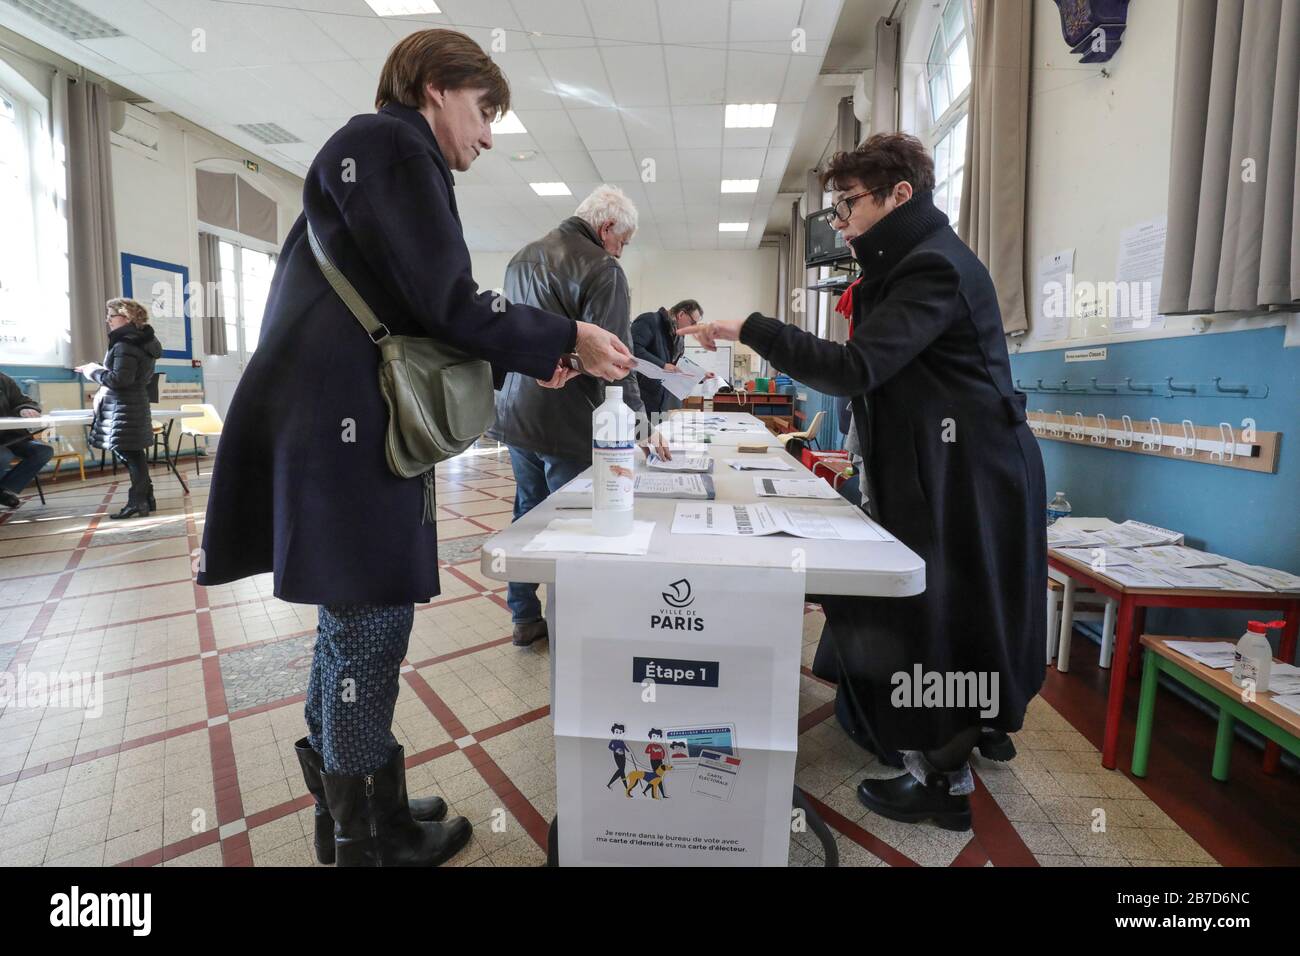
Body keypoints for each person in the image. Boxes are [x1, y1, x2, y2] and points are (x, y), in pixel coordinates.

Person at [195, 29, 635, 867]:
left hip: (330, 416)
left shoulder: (381, 152)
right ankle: (370, 836)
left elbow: (422, 299)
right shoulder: (391, 145)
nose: (488, 134)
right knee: (371, 619)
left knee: (348, 616)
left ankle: (349, 806)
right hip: (344, 425)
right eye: (482, 110)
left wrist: (537, 347)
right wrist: (570, 336)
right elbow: (443, 297)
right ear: (436, 87)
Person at [679, 133, 1046, 832]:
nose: (840, 220)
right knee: (966, 606)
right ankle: (975, 726)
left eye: (849, 203)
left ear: (899, 195)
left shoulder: (931, 267)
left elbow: (856, 369)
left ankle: (945, 780)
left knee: (952, 609)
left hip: (968, 473)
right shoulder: (908, 262)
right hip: (948, 465)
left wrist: (751, 327)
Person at [487, 185, 645, 647]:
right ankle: (570, 623)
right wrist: (637, 424)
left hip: (515, 413)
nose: (621, 251)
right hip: (567, 420)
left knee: (527, 516)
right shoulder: (603, 268)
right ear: (607, 228)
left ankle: (523, 616)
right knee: (573, 525)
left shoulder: (522, 257)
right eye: (623, 242)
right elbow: (616, 357)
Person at [76, 298, 161, 520]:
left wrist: (91, 370)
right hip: (132, 404)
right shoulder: (142, 341)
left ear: (126, 317)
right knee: (134, 454)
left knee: (131, 455)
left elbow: (119, 379)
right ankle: (146, 499)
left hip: (122, 407)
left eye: (111, 316)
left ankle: (138, 501)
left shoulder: (125, 343)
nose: (108, 320)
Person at [631, 300, 702, 414]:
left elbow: (677, 364)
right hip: (643, 397)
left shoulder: (678, 335)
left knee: (662, 431)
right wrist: (662, 365)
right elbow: (633, 348)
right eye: (692, 322)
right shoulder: (649, 320)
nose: (693, 327)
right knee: (644, 431)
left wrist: (701, 375)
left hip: (664, 398)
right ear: (681, 314)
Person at [0, 372, 52, 508]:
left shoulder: (3, 379)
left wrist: (25, 409)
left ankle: (4, 489)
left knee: (43, 451)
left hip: (10, 436)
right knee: (3, 455)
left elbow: (23, 401)